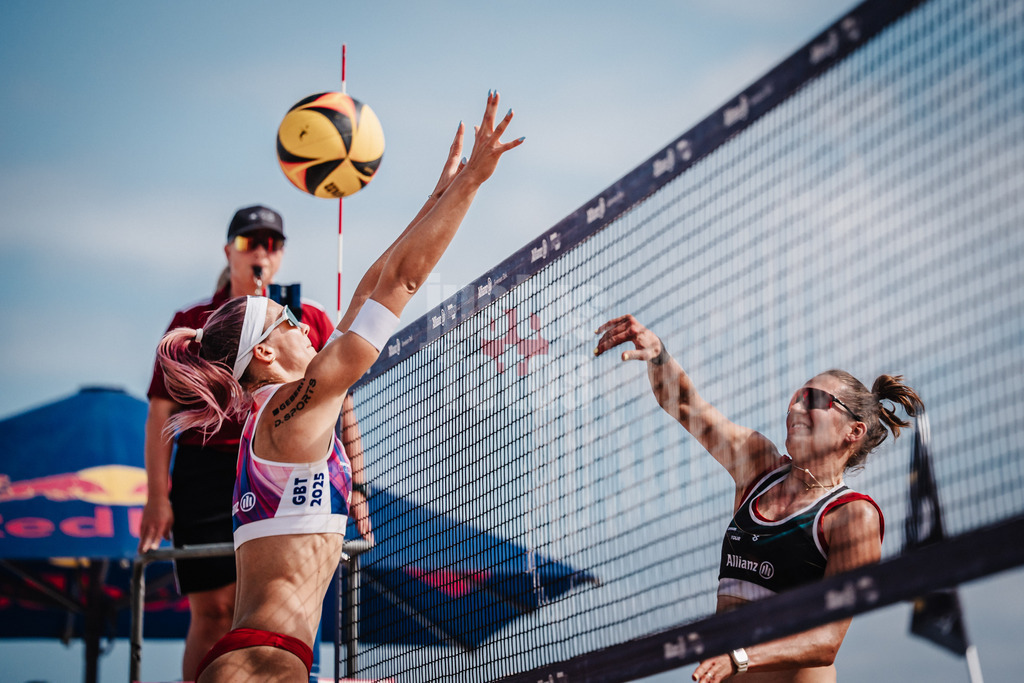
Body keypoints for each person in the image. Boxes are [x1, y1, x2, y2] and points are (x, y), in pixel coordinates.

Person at [154, 92, 522, 683]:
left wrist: (440, 194)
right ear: (267, 353)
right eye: (286, 320)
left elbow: (374, 280)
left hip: (264, 662)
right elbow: (401, 281)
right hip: (263, 663)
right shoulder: (292, 409)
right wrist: (477, 180)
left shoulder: (283, 413)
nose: (303, 323)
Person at [594, 315, 922, 682]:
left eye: (813, 400)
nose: (794, 408)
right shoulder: (759, 469)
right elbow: (687, 407)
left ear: (853, 431)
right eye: (795, 399)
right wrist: (658, 355)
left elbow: (826, 641)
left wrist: (739, 658)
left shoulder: (852, 515)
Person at [138, 204, 373, 681]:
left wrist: (359, 484)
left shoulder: (304, 318)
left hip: (289, 457)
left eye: (272, 243)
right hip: (206, 466)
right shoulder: (194, 319)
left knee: (289, 592)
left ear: (281, 255)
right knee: (213, 609)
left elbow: (339, 398)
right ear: (229, 252)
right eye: (249, 242)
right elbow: (161, 410)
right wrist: (157, 496)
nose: (261, 252)